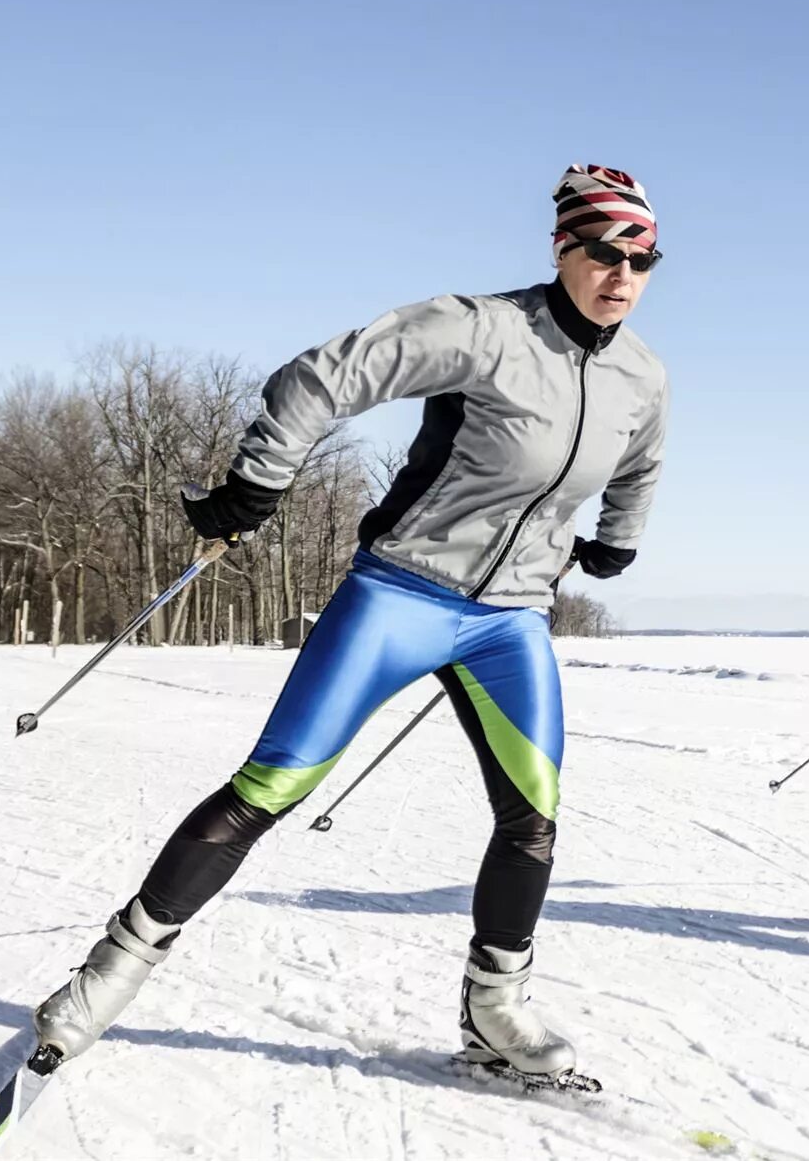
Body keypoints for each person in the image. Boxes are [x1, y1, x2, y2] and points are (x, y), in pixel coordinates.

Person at [33, 164, 670, 1082]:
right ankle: (105, 976)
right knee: (267, 792)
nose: (623, 275)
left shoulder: (642, 375)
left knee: (533, 819)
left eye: (643, 260)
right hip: (403, 595)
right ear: (562, 248)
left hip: (511, 621)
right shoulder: (482, 329)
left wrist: (618, 539)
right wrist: (262, 476)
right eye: (605, 253)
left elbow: (641, 463)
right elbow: (322, 376)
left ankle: (496, 1012)